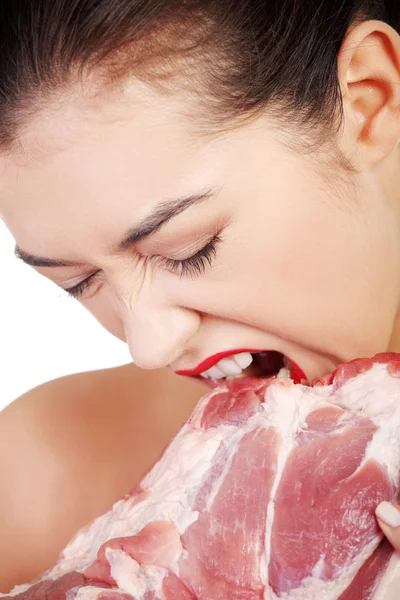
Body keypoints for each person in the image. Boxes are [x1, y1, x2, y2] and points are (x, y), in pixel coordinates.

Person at [0, 0, 400, 593]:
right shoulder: (39, 473)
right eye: (80, 282)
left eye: (189, 249)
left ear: (368, 100)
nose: (149, 346)